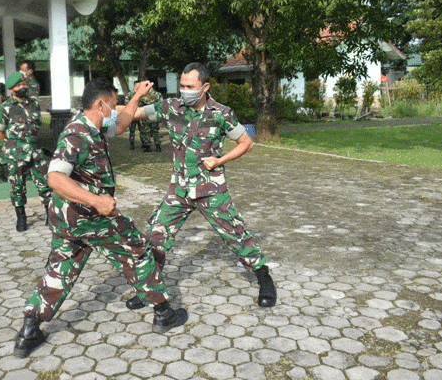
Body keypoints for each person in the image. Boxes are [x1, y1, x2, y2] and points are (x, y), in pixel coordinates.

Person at [14, 78, 188, 358]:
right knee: (139, 251)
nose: (116, 108)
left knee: (61, 269)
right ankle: (164, 313)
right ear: (100, 104)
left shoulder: (95, 125)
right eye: (113, 103)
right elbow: (55, 178)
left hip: (68, 221)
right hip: (90, 216)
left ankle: (29, 331)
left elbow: (120, 125)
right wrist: (96, 200)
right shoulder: (75, 134)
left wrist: (136, 97)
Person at [126, 62, 277, 311]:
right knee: (156, 236)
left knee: (236, 235)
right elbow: (135, 114)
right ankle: (149, 290)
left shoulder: (222, 113)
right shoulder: (171, 107)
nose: (184, 91)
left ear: (205, 87)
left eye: (190, 86)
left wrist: (220, 160)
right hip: (180, 189)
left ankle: (264, 277)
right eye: (182, 86)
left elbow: (246, 142)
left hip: (211, 189)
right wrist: (115, 106)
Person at [0, 71, 52, 233]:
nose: (23, 87)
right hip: (16, 155)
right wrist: (12, 145)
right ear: (12, 89)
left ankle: (50, 216)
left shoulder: (34, 104)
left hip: (36, 152)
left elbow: (37, 126)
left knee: (45, 184)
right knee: (17, 187)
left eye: (24, 84)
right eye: (19, 85)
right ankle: (21, 218)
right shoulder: (5, 108)